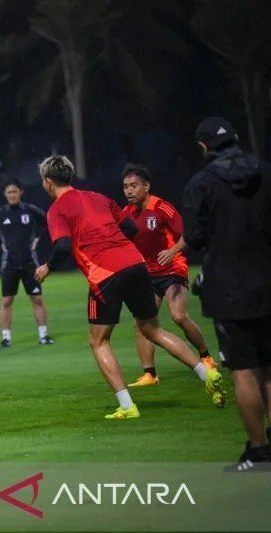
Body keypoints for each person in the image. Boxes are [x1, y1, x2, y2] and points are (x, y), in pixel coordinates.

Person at [33, 155, 226, 419]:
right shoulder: (98, 197)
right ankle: (206, 372)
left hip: (105, 273)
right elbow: (129, 228)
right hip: (135, 263)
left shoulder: (57, 209)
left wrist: (48, 267)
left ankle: (127, 406)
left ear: (47, 182)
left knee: (98, 341)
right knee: (152, 328)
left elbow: (64, 245)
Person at [183, 116, 271, 469]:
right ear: (236, 139)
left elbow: (196, 238)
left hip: (228, 289)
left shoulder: (201, 183)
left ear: (204, 147)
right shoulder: (265, 172)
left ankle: (259, 450)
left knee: (244, 371)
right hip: (268, 281)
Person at [121, 163, 217, 387]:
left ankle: (206, 356)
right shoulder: (126, 214)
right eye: (125, 186)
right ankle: (149, 374)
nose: (129, 190)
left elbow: (188, 234)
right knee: (142, 322)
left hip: (173, 267)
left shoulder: (161, 207)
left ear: (147, 186)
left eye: (134, 185)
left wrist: (172, 251)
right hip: (148, 275)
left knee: (178, 316)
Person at [0, 178, 54, 347]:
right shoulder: (0, 213)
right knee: (7, 301)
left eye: (15, 191)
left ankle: (43, 336)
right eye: (9, 192)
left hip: (30, 262)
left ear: (21, 192)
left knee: (37, 299)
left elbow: (48, 221)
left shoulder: (29, 210)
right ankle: (6, 338)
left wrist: (38, 238)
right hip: (9, 263)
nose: (12, 195)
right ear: (5, 195)